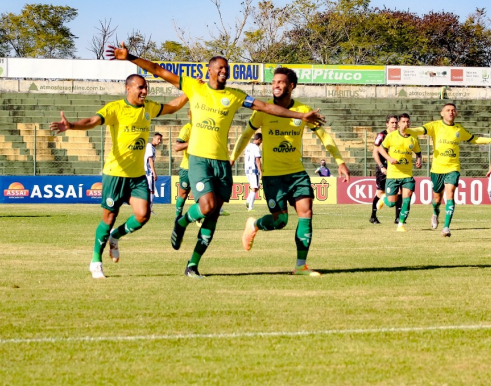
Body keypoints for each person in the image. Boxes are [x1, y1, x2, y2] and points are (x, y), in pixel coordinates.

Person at [107, 44, 324, 278]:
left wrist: (301, 115)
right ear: (209, 70)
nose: (224, 71)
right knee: (207, 206)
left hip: (221, 163)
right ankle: (182, 222)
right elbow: (159, 70)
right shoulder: (193, 86)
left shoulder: (235, 96)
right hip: (199, 160)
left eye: (226, 68)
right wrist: (130, 57)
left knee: (213, 215)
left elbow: (267, 107)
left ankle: (193, 265)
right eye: (220, 68)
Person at [49, 74, 188, 279]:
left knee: (143, 215)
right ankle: (96, 261)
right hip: (115, 174)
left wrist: (190, 93)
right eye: (140, 88)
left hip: (137, 175)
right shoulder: (115, 108)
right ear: (128, 88)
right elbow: (93, 121)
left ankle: (116, 236)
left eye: (146, 88)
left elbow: (174, 106)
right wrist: (72, 126)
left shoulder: (149, 107)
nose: (144, 91)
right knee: (109, 217)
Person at [232, 67, 350, 276]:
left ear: (291, 86)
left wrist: (340, 162)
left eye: (281, 82)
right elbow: (245, 135)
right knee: (280, 221)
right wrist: (232, 157)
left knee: (306, 213)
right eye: (274, 82)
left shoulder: (304, 111)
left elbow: (325, 137)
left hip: (297, 174)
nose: (276, 85)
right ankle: (255, 224)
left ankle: (301, 266)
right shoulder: (262, 111)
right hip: (273, 177)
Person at [405, 103, 491, 236]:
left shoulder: (459, 129)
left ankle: (446, 227)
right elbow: (419, 130)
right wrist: (406, 130)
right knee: (437, 199)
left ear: (456, 113)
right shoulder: (435, 126)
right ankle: (435, 213)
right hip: (437, 169)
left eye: (453, 110)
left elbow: (475, 139)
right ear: (442, 113)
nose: (451, 112)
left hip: (453, 168)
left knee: (451, 194)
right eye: (448, 110)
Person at [376, 113, 422, 232]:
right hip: (393, 175)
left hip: (407, 175)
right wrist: (389, 159)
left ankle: (400, 224)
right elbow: (380, 148)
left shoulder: (413, 137)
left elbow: (418, 151)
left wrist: (419, 159)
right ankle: (384, 198)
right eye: (403, 122)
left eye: (408, 122)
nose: (406, 124)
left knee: (407, 199)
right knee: (391, 203)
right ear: (399, 123)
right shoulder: (391, 136)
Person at [370, 114, 402, 224]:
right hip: (383, 169)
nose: (394, 124)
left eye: (396, 122)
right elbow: (375, 153)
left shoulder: (399, 135)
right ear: (387, 124)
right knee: (380, 193)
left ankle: (398, 218)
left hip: (396, 169)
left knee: (399, 191)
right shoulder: (382, 135)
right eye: (392, 122)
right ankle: (373, 216)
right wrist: (381, 167)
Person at [173, 111, 192, 218]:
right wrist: (193, 143)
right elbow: (177, 147)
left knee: (203, 193)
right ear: (189, 115)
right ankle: (178, 216)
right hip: (187, 168)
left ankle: (199, 216)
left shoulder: (204, 129)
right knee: (183, 194)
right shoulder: (187, 129)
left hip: (201, 168)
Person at [145, 132, 163, 214]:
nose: (159, 141)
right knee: (151, 191)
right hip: (148, 173)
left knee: (148, 191)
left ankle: (147, 209)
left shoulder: (152, 147)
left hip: (146, 172)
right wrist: (154, 172)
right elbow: (150, 160)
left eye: (160, 140)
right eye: (158, 139)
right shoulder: (149, 146)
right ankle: (148, 210)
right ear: (153, 138)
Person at [244, 132, 263, 210]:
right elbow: (257, 160)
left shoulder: (248, 146)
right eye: (261, 141)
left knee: (256, 187)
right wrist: (260, 171)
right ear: (259, 139)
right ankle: (250, 207)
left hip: (247, 169)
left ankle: (247, 202)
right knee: (254, 188)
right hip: (253, 169)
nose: (261, 142)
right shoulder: (256, 148)